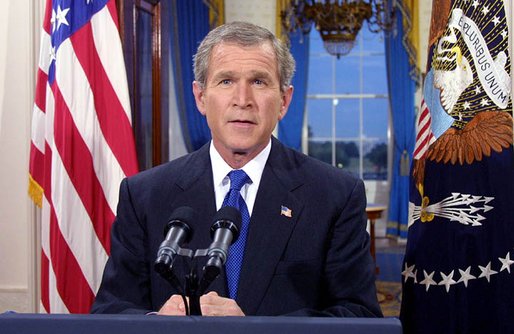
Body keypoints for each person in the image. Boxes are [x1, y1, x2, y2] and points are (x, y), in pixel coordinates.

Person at [91, 21, 381, 317]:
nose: (243, 101)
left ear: (284, 100)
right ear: (201, 97)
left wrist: (254, 330)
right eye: (226, 81)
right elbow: (109, 311)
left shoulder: (335, 195)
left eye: (259, 82)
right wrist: (157, 324)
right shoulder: (144, 195)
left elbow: (359, 315)